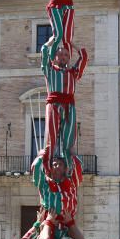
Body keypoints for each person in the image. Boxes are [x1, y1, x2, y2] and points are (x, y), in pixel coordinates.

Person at [40, 37, 88, 175]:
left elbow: (84, 56)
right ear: (54, 57)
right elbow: (43, 52)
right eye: (60, 54)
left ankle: (69, 169)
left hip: (69, 107)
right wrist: (51, 41)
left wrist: (70, 42)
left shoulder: (74, 73)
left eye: (66, 55)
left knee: (69, 140)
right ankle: (48, 168)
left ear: (69, 58)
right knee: (51, 138)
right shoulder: (49, 70)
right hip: (54, 106)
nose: (63, 57)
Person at [32, 154, 83, 224]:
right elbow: (36, 168)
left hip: (67, 226)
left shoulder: (72, 183)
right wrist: (42, 155)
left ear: (65, 168)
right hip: (48, 223)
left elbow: (79, 167)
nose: (57, 166)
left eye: (60, 164)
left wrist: (72, 154)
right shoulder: (44, 183)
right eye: (55, 165)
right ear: (51, 169)